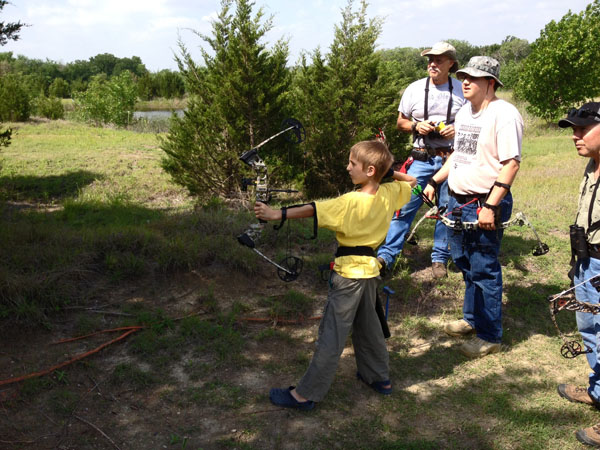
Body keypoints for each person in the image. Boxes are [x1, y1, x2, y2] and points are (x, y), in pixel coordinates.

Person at [254, 140, 416, 410]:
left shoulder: (349, 201)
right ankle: (379, 378)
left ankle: (305, 395)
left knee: (332, 335)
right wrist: (388, 171)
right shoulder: (390, 193)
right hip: (371, 273)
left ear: (370, 170)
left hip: (348, 276)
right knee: (370, 327)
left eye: (353, 164)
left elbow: (312, 209)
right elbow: (411, 180)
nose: (348, 167)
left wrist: (274, 214)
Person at [423, 56, 523, 358]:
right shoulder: (466, 111)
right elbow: (458, 156)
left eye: (474, 78)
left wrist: (491, 205)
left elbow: (511, 164)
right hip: (456, 200)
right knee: (465, 263)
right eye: (464, 76)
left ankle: (490, 336)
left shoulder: (504, 115)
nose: (465, 81)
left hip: (483, 203)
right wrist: (435, 181)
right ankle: (471, 319)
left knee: (485, 269)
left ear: (490, 83)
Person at [377, 41, 467, 279]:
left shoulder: (461, 90)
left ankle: (439, 259)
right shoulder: (414, 89)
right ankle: (386, 256)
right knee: (403, 207)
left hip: (451, 160)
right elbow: (401, 123)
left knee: (446, 211)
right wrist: (417, 125)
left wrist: (457, 129)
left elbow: (473, 123)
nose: (432, 64)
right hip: (421, 158)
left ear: (450, 63)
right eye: (430, 60)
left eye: (438, 60)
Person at [555, 102, 600, 447]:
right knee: (592, 332)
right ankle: (598, 390)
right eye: (573, 129)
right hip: (588, 261)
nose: (575, 136)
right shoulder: (592, 165)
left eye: (583, 129)